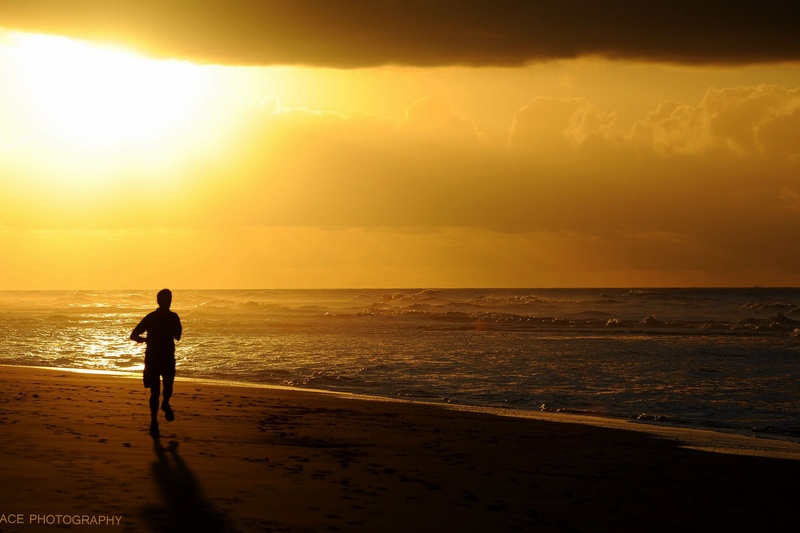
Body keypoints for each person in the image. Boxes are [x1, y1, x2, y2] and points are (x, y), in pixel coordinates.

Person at [131, 289, 182, 438]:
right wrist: (147, 340)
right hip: (153, 358)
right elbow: (134, 335)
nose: (168, 302)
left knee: (168, 386)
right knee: (155, 392)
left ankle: (165, 403)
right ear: (159, 301)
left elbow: (178, 336)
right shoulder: (151, 317)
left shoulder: (173, 317)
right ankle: (153, 422)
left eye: (169, 299)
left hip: (165, 357)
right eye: (166, 299)